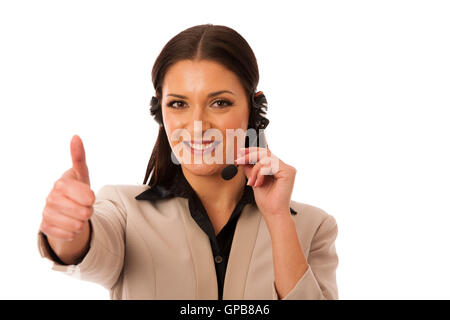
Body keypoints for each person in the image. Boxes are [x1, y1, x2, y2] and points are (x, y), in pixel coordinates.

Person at [37, 24, 339, 300]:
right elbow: (85, 250)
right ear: (161, 109)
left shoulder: (312, 226)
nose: (197, 126)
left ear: (253, 106)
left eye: (219, 103)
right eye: (178, 104)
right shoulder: (123, 210)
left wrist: (278, 219)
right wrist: (67, 230)